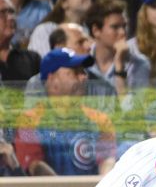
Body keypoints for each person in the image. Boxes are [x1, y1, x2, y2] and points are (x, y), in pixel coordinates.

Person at [14, 48, 117, 176]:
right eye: (76, 72)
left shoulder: (100, 120)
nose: (84, 76)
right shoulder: (29, 121)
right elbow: (35, 166)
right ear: (52, 80)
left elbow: (108, 161)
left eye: (83, 71)